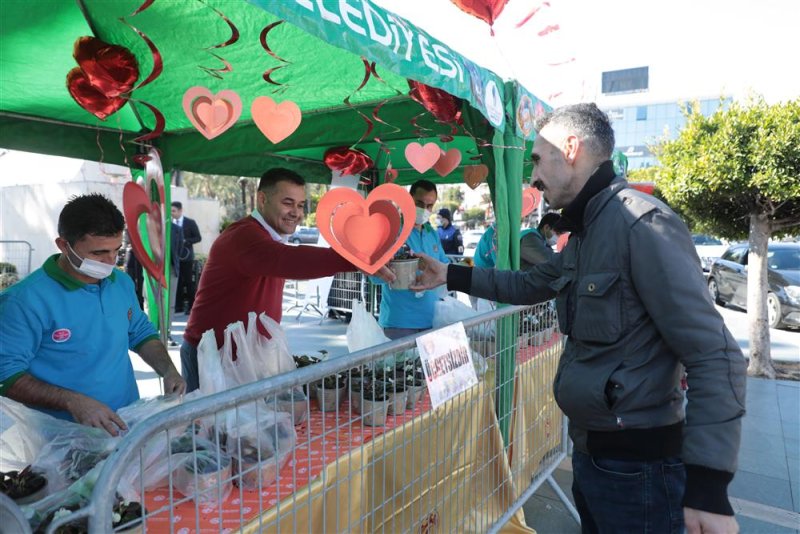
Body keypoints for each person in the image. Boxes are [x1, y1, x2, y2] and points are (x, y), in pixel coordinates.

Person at [410, 103, 745, 534]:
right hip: (595, 456)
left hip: (639, 469)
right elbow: (530, 284)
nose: (532, 177)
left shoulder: (640, 224)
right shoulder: (589, 230)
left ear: (569, 148)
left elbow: (716, 356)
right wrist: (450, 273)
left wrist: (709, 487)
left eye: (536, 159)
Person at [181, 168, 392, 392]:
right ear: (262, 199)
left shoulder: (270, 237)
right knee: (208, 426)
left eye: (301, 205)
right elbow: (291, 260)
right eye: (288, 203)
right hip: (211, 356)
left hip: (245, 357)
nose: (296, 212)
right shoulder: (243, 236)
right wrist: (358, 259)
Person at [0, 193, 186, 436]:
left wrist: (168, 370)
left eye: (117, 251)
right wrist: (72, 401)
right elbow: (6, 374)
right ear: (64, 245)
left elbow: (140, 332)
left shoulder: (120, 282)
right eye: (98, 253)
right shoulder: (24, 300)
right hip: (59, 438)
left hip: (123, 424)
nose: (110, 262)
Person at [374, 180, 449, 340]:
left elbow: (444, 266)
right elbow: (374, 276)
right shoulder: (391, 230)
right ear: (409, 199)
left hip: (432, 320)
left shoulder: (432, 233)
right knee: (400, 366)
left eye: (429, 206)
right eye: (419, 203)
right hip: (400, 323)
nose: (424, 209)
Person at [171, 201, 201, 314]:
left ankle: (190, 307)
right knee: (176, 282)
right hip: (175, 258)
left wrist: (186, 241)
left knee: (188, 282)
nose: (172, 213)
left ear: (180, 210)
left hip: (187, 257)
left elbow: (198, 237)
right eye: (171, 211)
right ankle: (177, 306)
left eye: (174, 211)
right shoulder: (170, 223)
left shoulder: (190, 222)